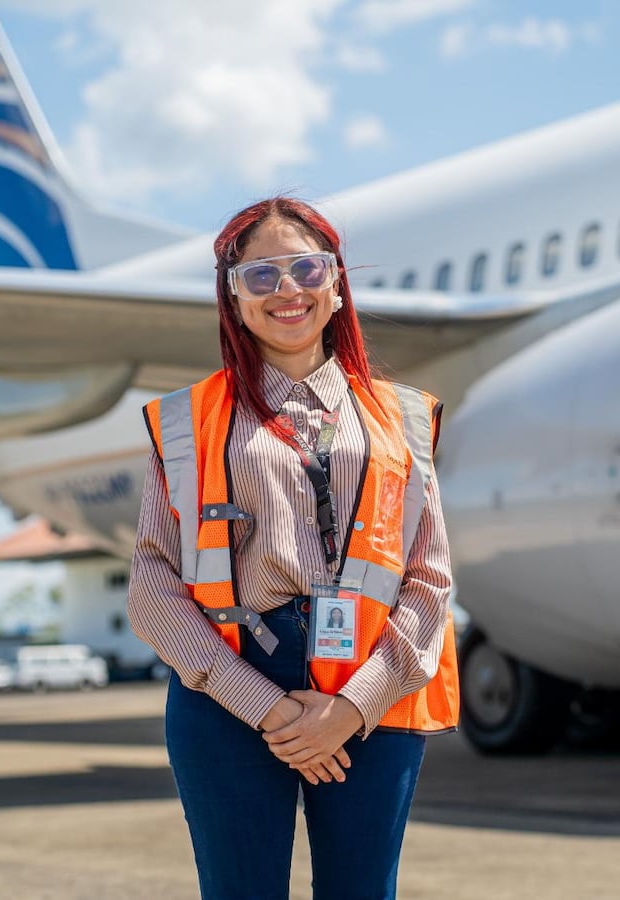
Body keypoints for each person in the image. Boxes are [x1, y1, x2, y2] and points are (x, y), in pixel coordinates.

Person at [128, 196, 460, 900]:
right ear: (234, 298)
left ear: (337, 286)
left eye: (307, 267)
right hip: (228, 687)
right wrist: (267, 708)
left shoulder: (402, 416)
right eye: (261, 275)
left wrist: (352, 708)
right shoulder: (189, 421)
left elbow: (428, 581)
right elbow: (153, 583)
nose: (288, 289)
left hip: (373, 688)